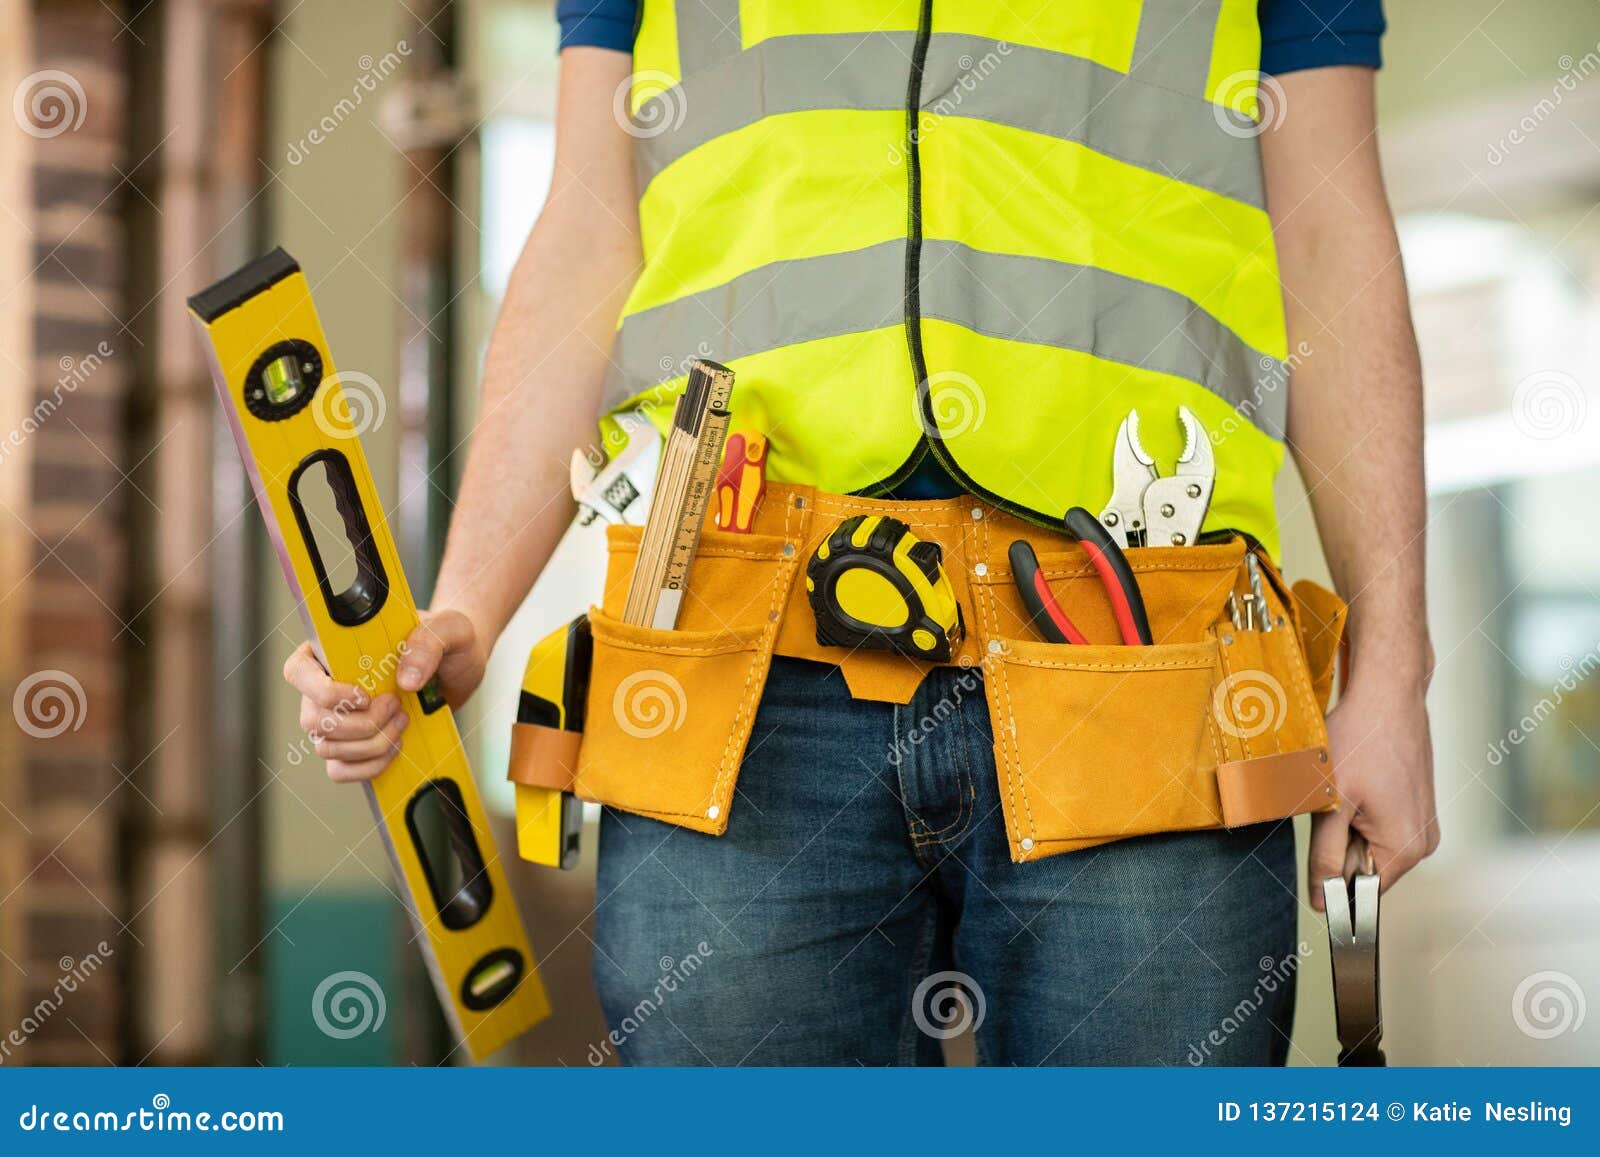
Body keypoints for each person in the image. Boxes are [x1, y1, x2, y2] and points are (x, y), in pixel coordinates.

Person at [285, 0, 1437, 1065]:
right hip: (733, 647)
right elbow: (587, 232)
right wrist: (470, 599)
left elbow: (1330, 232)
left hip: (1144, 653)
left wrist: (1392, 671)